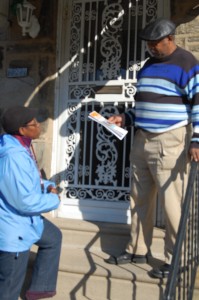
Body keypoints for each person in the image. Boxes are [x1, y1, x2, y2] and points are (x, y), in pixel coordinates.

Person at [104, 17, 199, 279]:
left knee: (172, 204)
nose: (151, 48)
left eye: (155, 43)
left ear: (170, 38)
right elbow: (144, 103)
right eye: (149, 44)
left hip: (170, 139)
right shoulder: (147, 65)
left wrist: (196, 140)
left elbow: (198, 103)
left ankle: (175, 259)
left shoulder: (187, 63)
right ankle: (137, 249)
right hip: (142, 138)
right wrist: (126, 118)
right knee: (139, 198)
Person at [0, 106, 62, 300]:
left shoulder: (21, 146)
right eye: (34, 123)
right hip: (13, 229)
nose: (39, 126)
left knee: (53, 237)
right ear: (22, 129)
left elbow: (28, 181)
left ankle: (40, 288)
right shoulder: (13, 156)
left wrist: (47, 186)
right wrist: (54, 199)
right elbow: (24, 201)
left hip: (26, 221)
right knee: (9, 287)